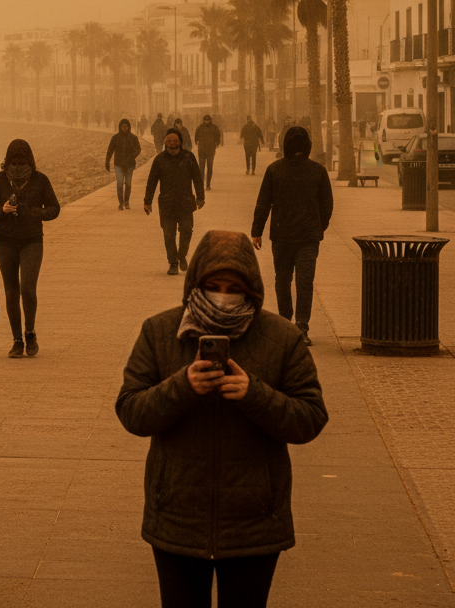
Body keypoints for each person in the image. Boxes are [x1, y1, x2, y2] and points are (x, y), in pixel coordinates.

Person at [115, 230, 328, 608]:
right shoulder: (160, 332)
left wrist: (255, 394)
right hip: (177, 518)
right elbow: (131, 411)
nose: (223, 296)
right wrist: (182, 386)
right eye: (213, 285)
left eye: (234, 287)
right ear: (195, 283)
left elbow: (310, 418)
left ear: (252, 289)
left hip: (255, 523)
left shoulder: (282, 337)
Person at [251, 125, 334, 346]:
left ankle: (292, 324)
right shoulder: (315, 170)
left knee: (286, 280)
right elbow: (327, 205)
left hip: (288, 236)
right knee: (300, 281)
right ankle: (297, 326)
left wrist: (257, 232)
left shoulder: (276, 169)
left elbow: (263, 203)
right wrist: (319, 227)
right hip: (299, 237)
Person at [0, 139, 60, 357]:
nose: (17, 165)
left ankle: (30, 333)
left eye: (22, 160)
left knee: (27, 288)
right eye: (13, 161)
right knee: (11, 292)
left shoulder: (40, 180)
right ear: (7, 161)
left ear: (29, 160)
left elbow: (54, 209)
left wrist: (32, 212)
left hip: (32, 241)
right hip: (4, 242)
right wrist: (2, 210)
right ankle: (17, 340)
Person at [144, 128, 205, 275]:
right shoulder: (159, 160)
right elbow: (151, 181)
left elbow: (197, 178)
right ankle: (173, 263)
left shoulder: (189, 157)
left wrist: (200, 197)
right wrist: (147, 201)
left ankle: (182, 255)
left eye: (175, 141)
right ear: (165, 142)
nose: (172, 144)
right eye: (169, 141)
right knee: (168, 236)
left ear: (180, 142)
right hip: (167, 204)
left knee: (186, 231)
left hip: (185, 203)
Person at [105, 118, 143, 210]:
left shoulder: (133, 138)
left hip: (129, 164)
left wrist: (132, 156)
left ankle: (126, 201)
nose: (124, 128)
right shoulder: (115, 138)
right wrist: (107, 161)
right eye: (123, 127)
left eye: (126, 127)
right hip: (118, 164)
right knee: (120, 183)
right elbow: (110, 150)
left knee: (128, 184)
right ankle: (121, 202)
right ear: (120, 127)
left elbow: (138, 149)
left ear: (128, 127)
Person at [194, 113, 223, 190]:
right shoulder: (202, 128)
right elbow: (196, 136)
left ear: (210, 120)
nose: (207, 121)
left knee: (209, 167)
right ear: (204, 120)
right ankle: (202, 183)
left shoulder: (209, 128)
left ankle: (208, 184)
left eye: (208, 120)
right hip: (203, 150)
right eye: (205, 120)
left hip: (210, 150)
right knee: (202, 168)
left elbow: (218, 136)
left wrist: (217, 143)